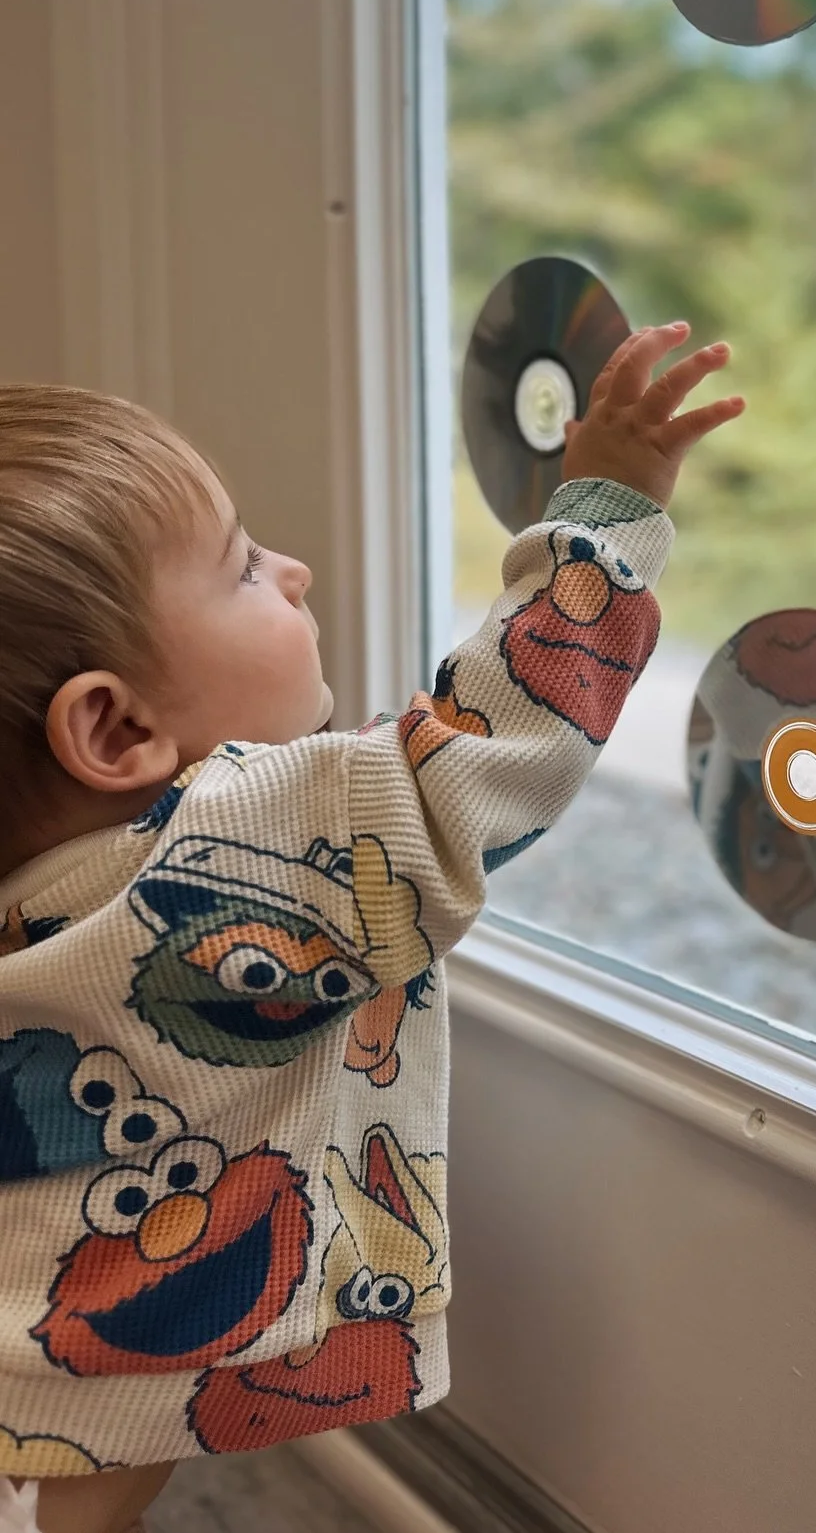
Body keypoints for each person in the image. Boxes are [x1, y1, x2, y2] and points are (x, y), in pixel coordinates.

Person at [0, 323, 743, 1533]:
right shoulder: (230, 855)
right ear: (119, 733)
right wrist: (600, 520)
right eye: (243, 570)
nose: (291, 571)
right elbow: (480, 761)